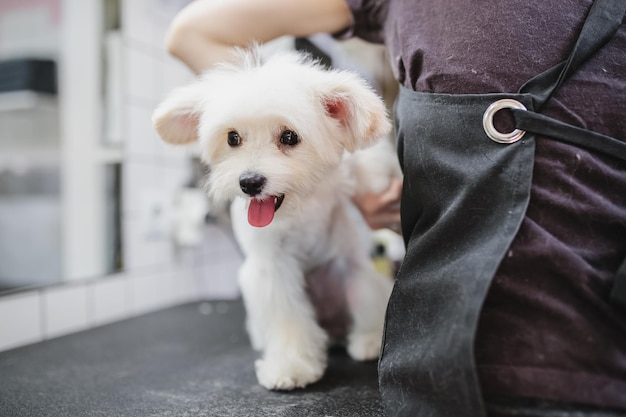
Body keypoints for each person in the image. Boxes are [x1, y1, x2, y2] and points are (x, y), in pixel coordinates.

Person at [164, 1, 626, 416]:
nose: (253, 169)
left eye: (287, 138)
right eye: (233, 139)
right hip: (442, 362)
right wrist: (256, 100)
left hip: (584, 350)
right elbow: (191, 32)